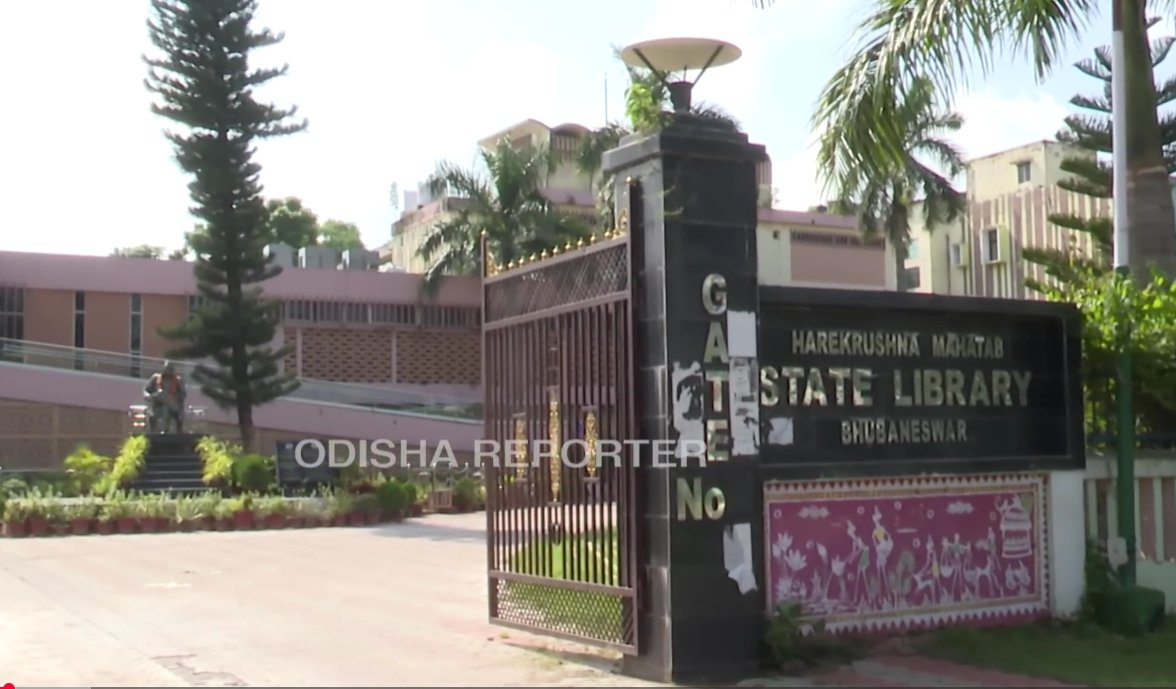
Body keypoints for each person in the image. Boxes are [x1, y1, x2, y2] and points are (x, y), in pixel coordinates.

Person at [144, 361, 186, 434]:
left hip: (173, 405)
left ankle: (165, 430)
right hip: (157, 403)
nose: (168, 371)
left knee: (166, 408)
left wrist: (175, 398)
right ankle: (155, 431)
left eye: (170, 369)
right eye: (167, 369)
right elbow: (146, 390)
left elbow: (183, 394)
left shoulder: (178, 380)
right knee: (159, 406)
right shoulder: (155, 378)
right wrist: (148, 396)